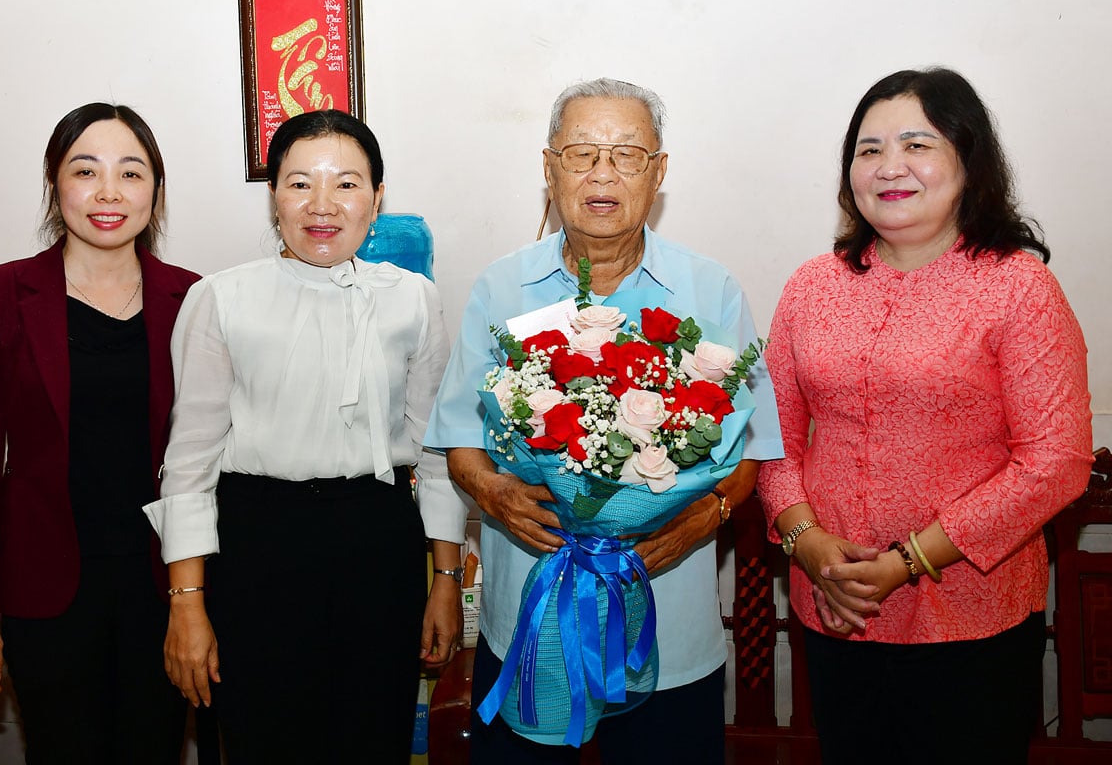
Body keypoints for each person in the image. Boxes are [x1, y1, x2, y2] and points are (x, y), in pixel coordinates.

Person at [424, 78, 784, 763]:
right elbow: (461, 441)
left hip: (668, 626)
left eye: (627, 154)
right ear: (549, 166)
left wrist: (701, 518)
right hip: (528, 624)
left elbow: (753, 451)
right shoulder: (501, 288)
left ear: (659, 172)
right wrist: (496, 493)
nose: (603, 173)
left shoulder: (710, 290)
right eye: (582, 152)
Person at [756, 67, 1093, 764]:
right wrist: (809, 545)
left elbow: (1055, 464)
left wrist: (908, 560)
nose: (890, 166)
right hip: (835, 607)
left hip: (972, 618)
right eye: (869, 149)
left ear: (969, 161)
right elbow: (772, 440)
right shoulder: (812, 286)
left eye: (917, 144)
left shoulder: (1018, 287)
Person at [145, 109, 467, 763]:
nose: (322, 204)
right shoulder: (220, 298)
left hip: (379, 543)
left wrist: (446, 578)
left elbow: (434, 454)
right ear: (274, 197)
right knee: (265, 740)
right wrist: (187, 602)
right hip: (256, 547)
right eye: (299, 184)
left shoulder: (413, 299)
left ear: (376, 197)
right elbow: (189, 463)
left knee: (373, 738)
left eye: (346, 184)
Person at [0, 102, 198, 764]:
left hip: (165, 593)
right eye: (86, 171)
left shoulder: (193, 299)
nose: (109, 192)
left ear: (156, 192)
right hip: (45, 594)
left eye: (131, 173)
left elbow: (209, 459)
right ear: (55, 184)